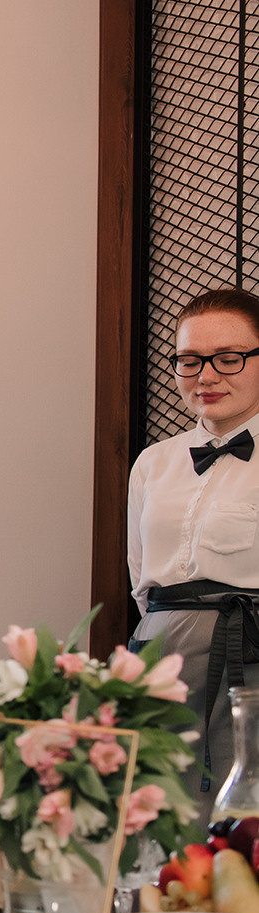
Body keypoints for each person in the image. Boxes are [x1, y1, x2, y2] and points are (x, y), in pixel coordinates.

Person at [129, 287, 259, 797]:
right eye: (190, 360)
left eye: (228, 358)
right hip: (158, 655)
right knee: (158, 807)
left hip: (247, 659)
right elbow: (140, 577)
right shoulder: (153, 462)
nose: (207, 376)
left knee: (239, 813)